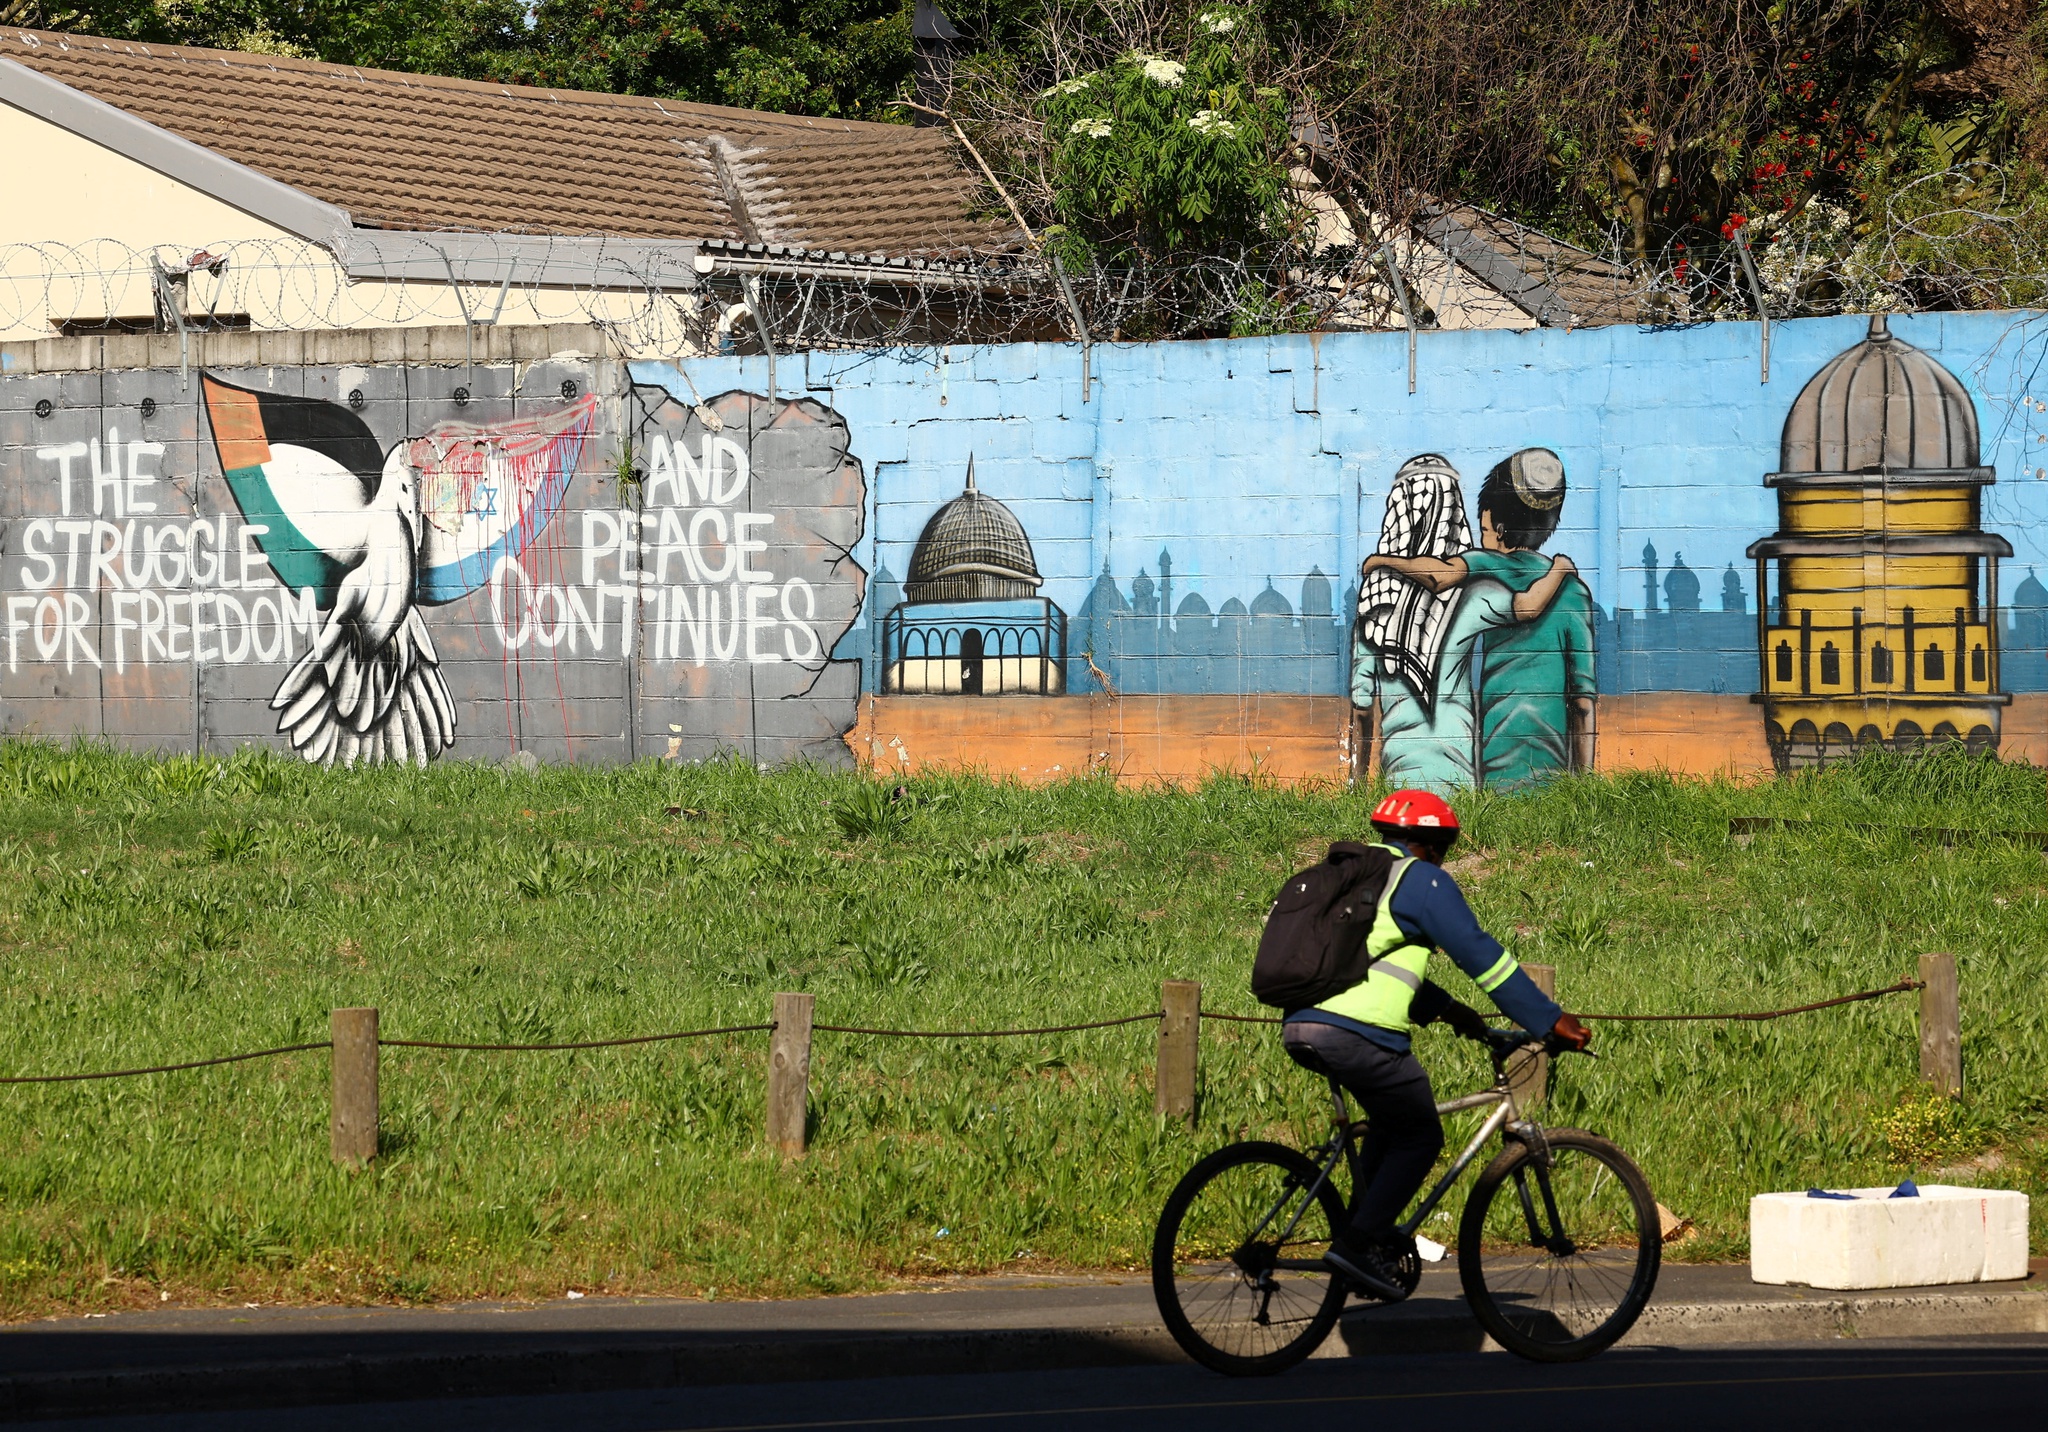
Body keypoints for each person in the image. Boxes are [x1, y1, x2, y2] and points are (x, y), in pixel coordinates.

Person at [1282, 788, 1592, 1300]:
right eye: (1443, 848)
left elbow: (1372, 966)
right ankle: (1357, 1245)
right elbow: (1482, 957)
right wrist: (1549, 1019)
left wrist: (1453, 1014)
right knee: (1421, 1134)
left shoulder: (1359, 883)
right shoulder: (1421, 880)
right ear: (1428, 844)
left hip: (1303, 1024)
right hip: (1357, 1034)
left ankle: (1367, 1243)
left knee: (1392, 1123)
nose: (1442, 859)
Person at [1362, 448, 1596, 785]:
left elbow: (1438, 575)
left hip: (1497, 771)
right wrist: (1584, 785)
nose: (1481, 536)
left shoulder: (1485, 567)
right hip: (1556, 777)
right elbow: (1583, 705)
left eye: (1484, 528)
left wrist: (1385, 561)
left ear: (1498, 529)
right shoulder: (1575, 593)